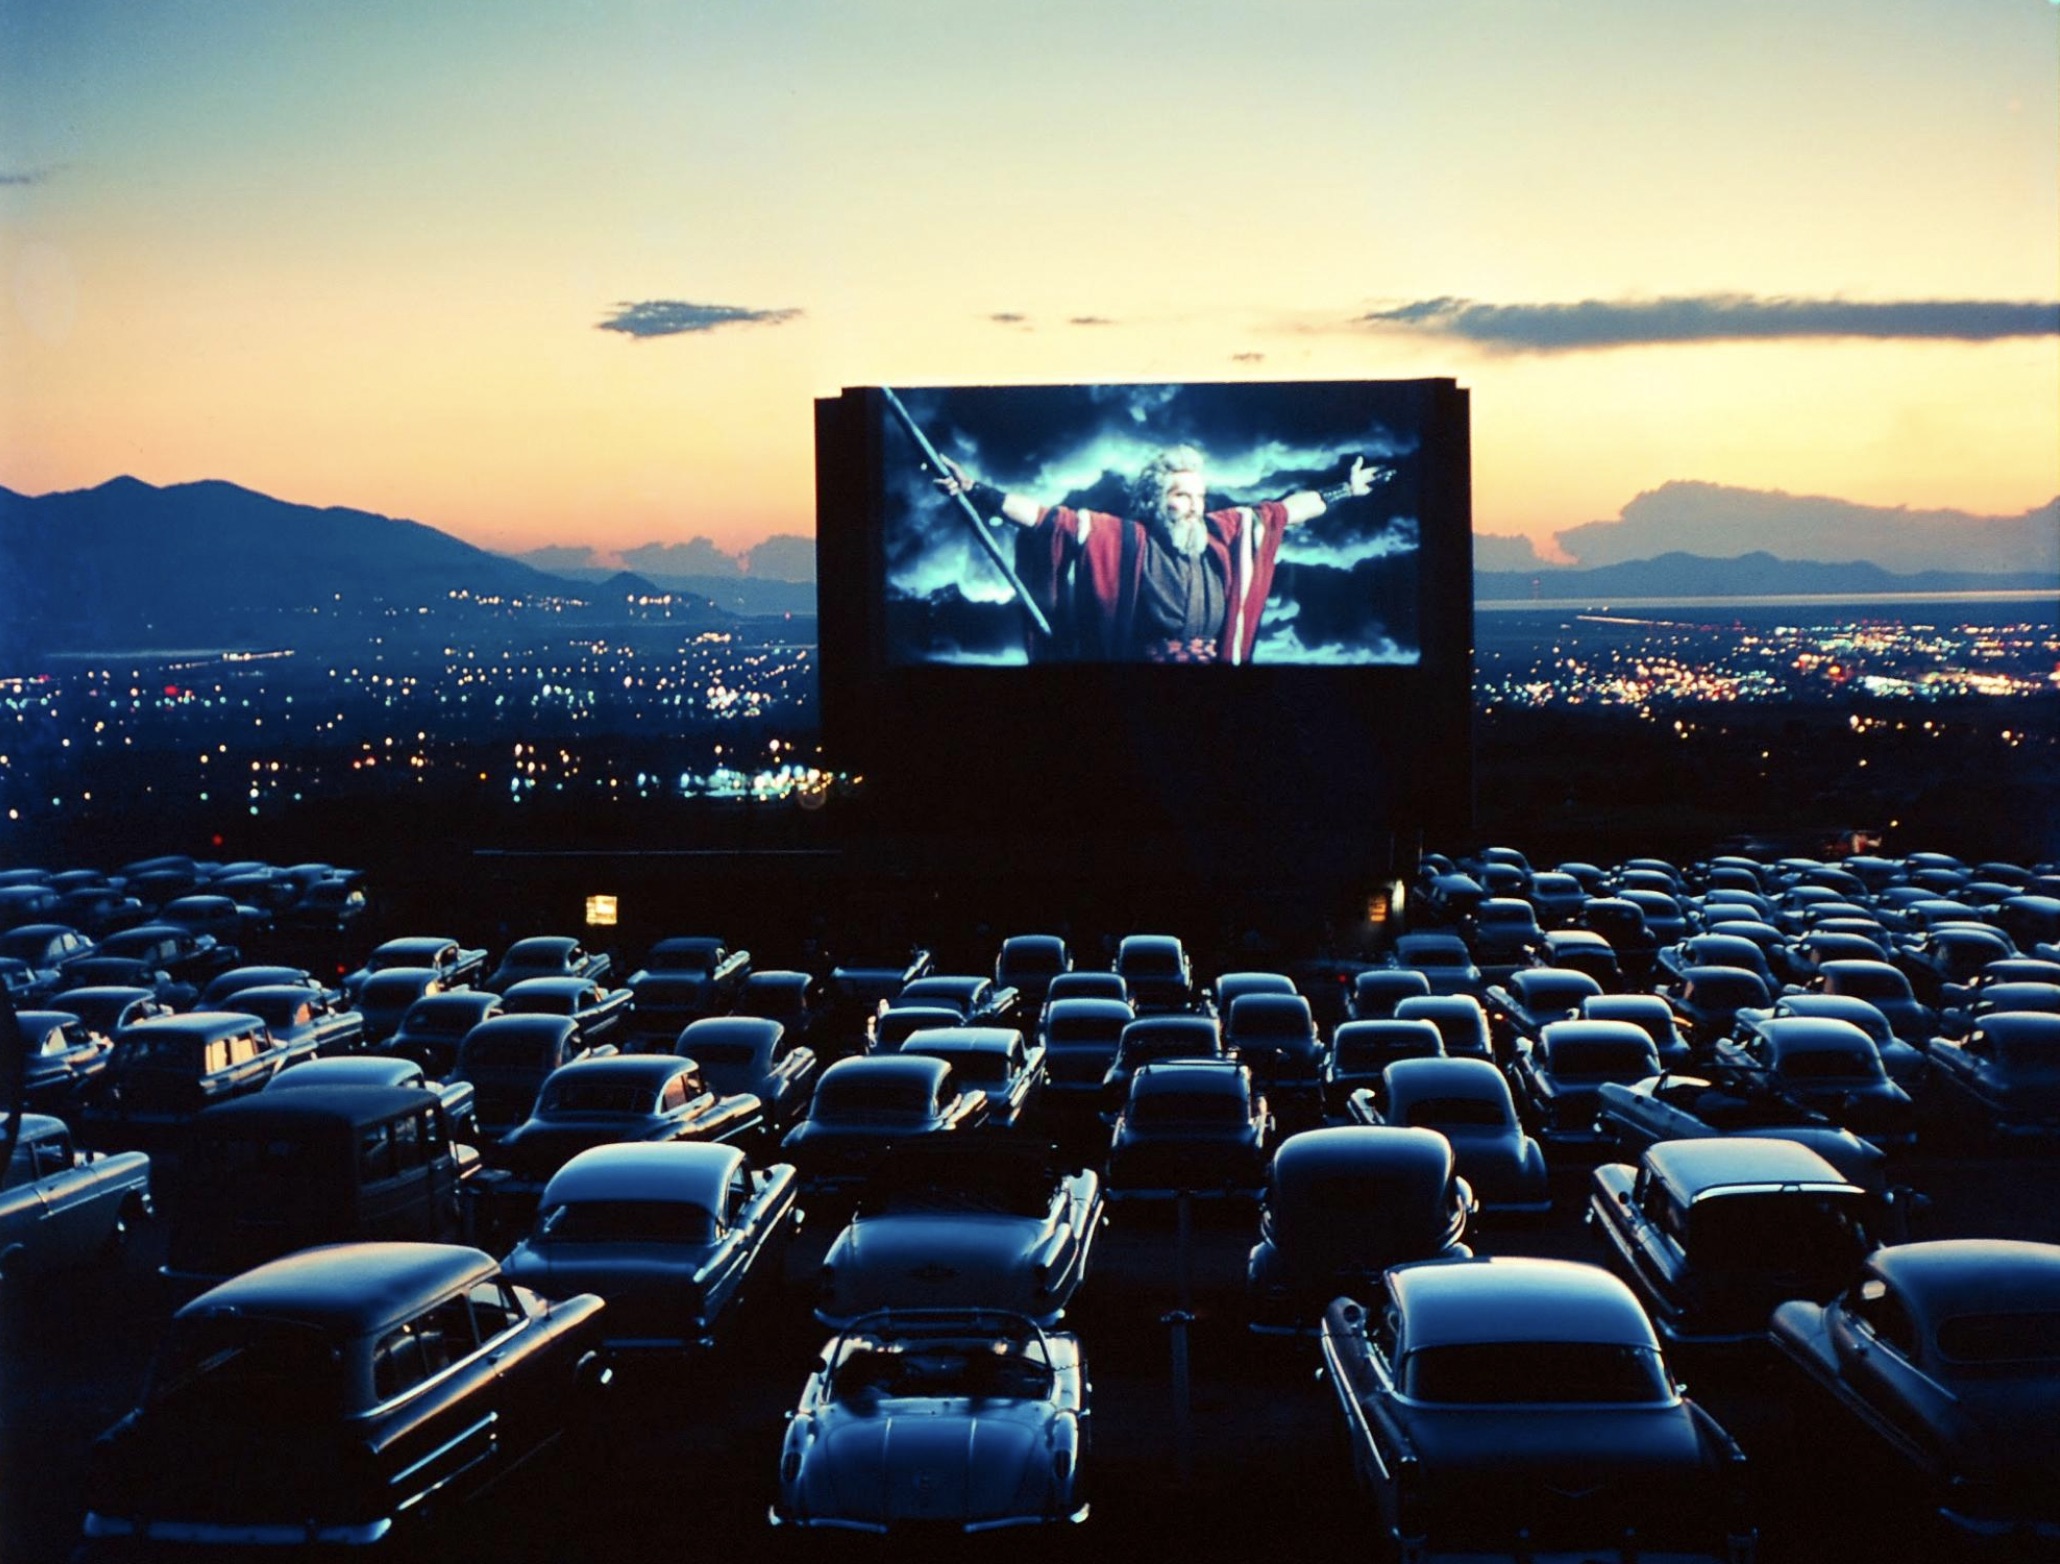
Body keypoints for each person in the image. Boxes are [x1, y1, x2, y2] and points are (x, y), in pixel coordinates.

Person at [938, 446, 1384, 663]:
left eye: (1200, 495)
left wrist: (1347, 488)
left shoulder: (1225, 532)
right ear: (1156, 499)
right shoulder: (1121, 538)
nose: (1195, 505)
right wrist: (976, 490)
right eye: (1182, 495)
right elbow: (1046, 519)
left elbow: (1288, 510)